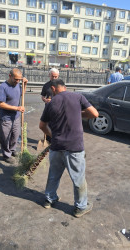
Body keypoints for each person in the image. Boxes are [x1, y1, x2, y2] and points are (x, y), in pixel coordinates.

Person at [39, 79, 99, 218]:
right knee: (78, 179)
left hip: (56, 146)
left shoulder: (50, 104)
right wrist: (80, 114)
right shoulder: (78, 97)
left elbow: (42, 126)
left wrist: (52, 137)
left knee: (53, 175)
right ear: (64, 87)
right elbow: (95, 114)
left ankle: (49, 199)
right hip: (74, 147)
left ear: (54, 88)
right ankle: (80, 207)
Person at [0, 68, 28, 164]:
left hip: (16, 116)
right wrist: (17, 108)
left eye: (19, 79)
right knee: (5, 137)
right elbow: (1, 104)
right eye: (16, 79)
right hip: (6, 118)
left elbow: (22, 94)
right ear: (10, 76)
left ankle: (12, 150)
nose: (18, 81)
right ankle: (6, 154)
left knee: (15, 135)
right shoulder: (3, 87)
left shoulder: (18, 85)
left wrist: (25, 84)